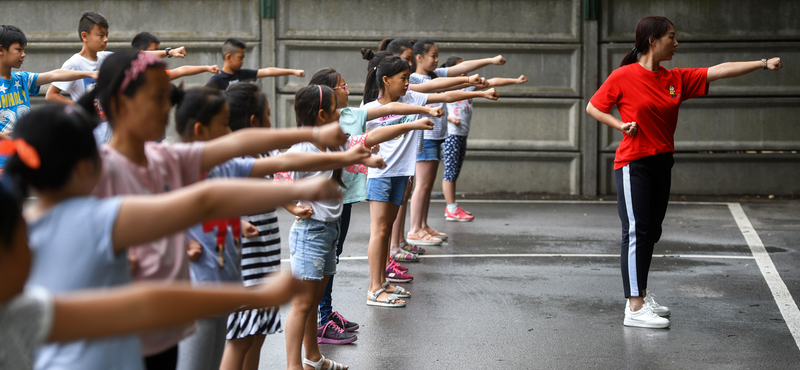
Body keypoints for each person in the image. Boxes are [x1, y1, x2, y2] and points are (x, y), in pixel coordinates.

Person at [0, 104, 341, 370]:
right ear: (85, 166)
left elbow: (142, 302)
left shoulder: (26, 299)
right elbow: (203, 203)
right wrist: (256, 293)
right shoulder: (87, 221)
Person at [79, 48, 346, 369]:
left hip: (170, 323)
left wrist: (316, 156)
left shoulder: (166, 157)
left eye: (168, 97)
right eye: (157, 97)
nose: (167, 108)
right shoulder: (99, 173)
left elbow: (234, 154)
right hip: (124, 333)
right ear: (122, 104)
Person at [586, 15, 782, 329]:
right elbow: (594, 106)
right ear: (653, 41)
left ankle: (641, 294)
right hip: (633, 163)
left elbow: (718, 70)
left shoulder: (675, 78)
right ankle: (634, 308)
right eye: (671, 37)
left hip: (662, 161)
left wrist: (761, 63)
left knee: (651, 233)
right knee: (636, 233)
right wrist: (619, 125)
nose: (676, 44)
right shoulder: (622, 76)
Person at [171, 86, 381, 370]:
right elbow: (187, 205)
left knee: (253, 338)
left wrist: (342, 156)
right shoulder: (206, 163)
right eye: (224, 123)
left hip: (252, 263)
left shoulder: (249, 156)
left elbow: (284, 161)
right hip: (220, 277)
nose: (229, 129)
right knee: (234, 343)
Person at [282, 84, 435, 370]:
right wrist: (293, 207)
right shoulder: (301, 148)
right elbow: (278, 177)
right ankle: (294, 366)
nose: (341, 112)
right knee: (302, 305)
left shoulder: (334, 142)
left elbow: (370, 137)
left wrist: (412, 123)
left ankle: (313, 359)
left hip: (329, 231)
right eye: (335, 108)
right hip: (309, 234)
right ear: (321, 113)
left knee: (314, 302)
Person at [308, 67, 442, 343]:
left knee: (333, 258)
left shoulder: (348, 115)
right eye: (342, 86)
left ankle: (325, 312)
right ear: (326, 97)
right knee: (322, 262)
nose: (348, 89)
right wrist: (413, 124)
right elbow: (361, 141)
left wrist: (419, 117)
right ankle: (319, 319)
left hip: (341, 202)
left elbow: (378, 121)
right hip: (322, 209)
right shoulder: (321, 131)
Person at [361, 54, 498, 306]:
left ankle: (382, 281)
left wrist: (479, 94)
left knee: (386, 229)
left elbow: (446, 96)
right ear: (386, 80)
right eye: (403, 79)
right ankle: (373, 289)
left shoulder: (410, 97)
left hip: (401, 173)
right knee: (379, 231)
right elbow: (362, 142)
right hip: (380, 176)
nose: (407, 83)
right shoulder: (368, 110)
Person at [407, 39, 507, 246]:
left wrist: (490, 60)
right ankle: (415, 229)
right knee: (422, 186)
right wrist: (471, 83)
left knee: (427, 185)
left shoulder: (434, 75)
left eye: (437, 56)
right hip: (425, 137)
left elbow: (460, 69)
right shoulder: (415, 80)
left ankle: (422, 225)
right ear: (419, 57)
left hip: (435, 136)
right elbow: (448, 86)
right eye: (432, 56)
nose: (436, 60)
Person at [44, 12, 185, 144]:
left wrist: (169, 52)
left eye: (107, 34)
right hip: (91, 135)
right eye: (100, 35)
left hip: (113, 133)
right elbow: (51, 95)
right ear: (85, 36)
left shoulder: (106, 57)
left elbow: (138, 56)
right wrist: (80, 106)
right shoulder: (73, 63)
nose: (105, 39)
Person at [439, 56, 528, 221]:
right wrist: (451, 119)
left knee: (455, 171)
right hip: (451, 134)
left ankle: (452, 207)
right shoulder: (446, 87)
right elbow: (435, 107)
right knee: (450, 172)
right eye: (460, 67)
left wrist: (515, 81)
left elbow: (493, 81)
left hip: (461, 135)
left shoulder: (469, 86)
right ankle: (451, 208)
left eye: (466, 66)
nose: (464, 69)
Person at [0, 25, 98, 171]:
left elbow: (54, 74)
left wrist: (88, 74)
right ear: (1, 50)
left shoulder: (21, 79)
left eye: (24, 49)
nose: (23, 54)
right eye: (18, 49)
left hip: (22, 158)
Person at [205, 38, 304, 91]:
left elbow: (268, 71)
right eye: (240, 58)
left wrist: (293, 71)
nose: (243, 61)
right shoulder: (217, 80)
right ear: (229, 57)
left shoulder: (242, 74)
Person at [132, 32, 219, 81]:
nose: (158, 54)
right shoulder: (129, 70)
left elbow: (182, 70)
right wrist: (170, 52)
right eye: (155, 51)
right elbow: (141, 56)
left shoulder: (156, 75)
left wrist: (207, 68)